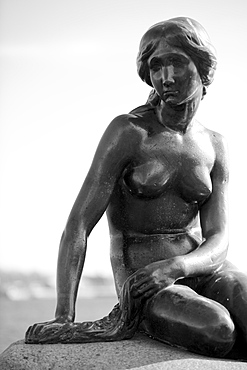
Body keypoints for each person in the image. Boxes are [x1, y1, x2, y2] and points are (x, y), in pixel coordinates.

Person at [25, 17, 247, 358]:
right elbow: (78, 226)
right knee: (218, 330)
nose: (166, 77)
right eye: (156, 66)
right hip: (143, 281)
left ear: (203, 67)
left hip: (200, 268)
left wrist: (179, 267)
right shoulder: (129, 132)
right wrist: (63, 316)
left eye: (177, 62)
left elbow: (219, 238)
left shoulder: (215, 145)